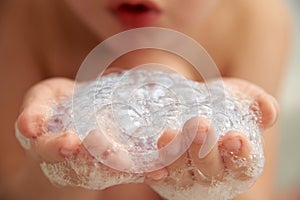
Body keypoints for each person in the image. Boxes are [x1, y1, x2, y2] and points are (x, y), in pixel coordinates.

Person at [0, 0, 292, 199]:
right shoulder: (25, 15)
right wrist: (62, 172)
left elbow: (254, 194)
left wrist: (221, 185)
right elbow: (12, 191)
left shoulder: (256, 19)